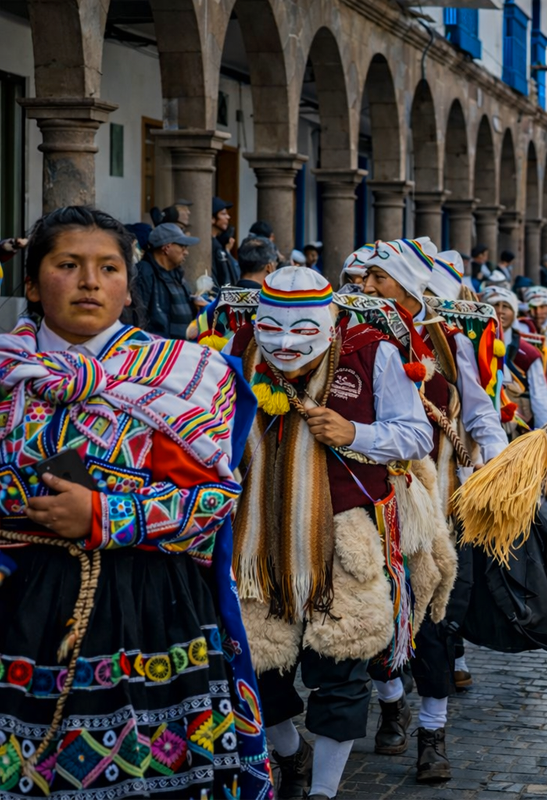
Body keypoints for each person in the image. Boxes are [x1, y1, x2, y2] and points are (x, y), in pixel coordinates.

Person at [0, 205, 271, 798]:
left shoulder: (184, 376)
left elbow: (210, 506)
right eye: (67, 265)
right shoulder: (5, 373)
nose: (90, 281)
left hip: (147, 611)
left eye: (108, 267)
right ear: (30, 281)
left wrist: (104, 515)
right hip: (17, 607)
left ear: (129, 286)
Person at [228, 266, 433, 800]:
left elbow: (417, 433)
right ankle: (290, 755)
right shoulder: (240, 347)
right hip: (257, 536)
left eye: (304, 331)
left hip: (346, 534)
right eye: (273, 329)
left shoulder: (373, 352)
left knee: (341, 667)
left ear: (332, 320)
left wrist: (355, 432)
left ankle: (323, 792)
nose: (286, 344)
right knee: (254, 662)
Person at [361, 238, 507, 782]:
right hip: (373, 502)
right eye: (364, 278)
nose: (367, 288)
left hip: (443, 506)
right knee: (377, 611)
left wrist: (495, 463)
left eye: (379, 278)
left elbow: (479, 408)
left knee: (439, 624)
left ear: (407, 282)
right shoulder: (350, 337)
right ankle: (391, 697)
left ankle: (432, 732)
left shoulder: (446, 342)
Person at [483, 286, 547, 437]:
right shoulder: (471, 345)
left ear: (514, 313)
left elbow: (539, 396)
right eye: (495, 305)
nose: (500, 311)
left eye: (506, 306)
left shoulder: (528, 352)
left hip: (517, 431)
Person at [133, 221, 199, 338]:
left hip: (181, 348)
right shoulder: (145, 272)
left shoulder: (177, 274)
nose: (186, 252)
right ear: (167, 248)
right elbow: (138, 316)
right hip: (160, 350)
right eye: (182, 247)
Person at [211, 196, 240, 286]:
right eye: (223, 214)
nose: (228, 217)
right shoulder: (211, 245)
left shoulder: (218, 244)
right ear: (212, 218)